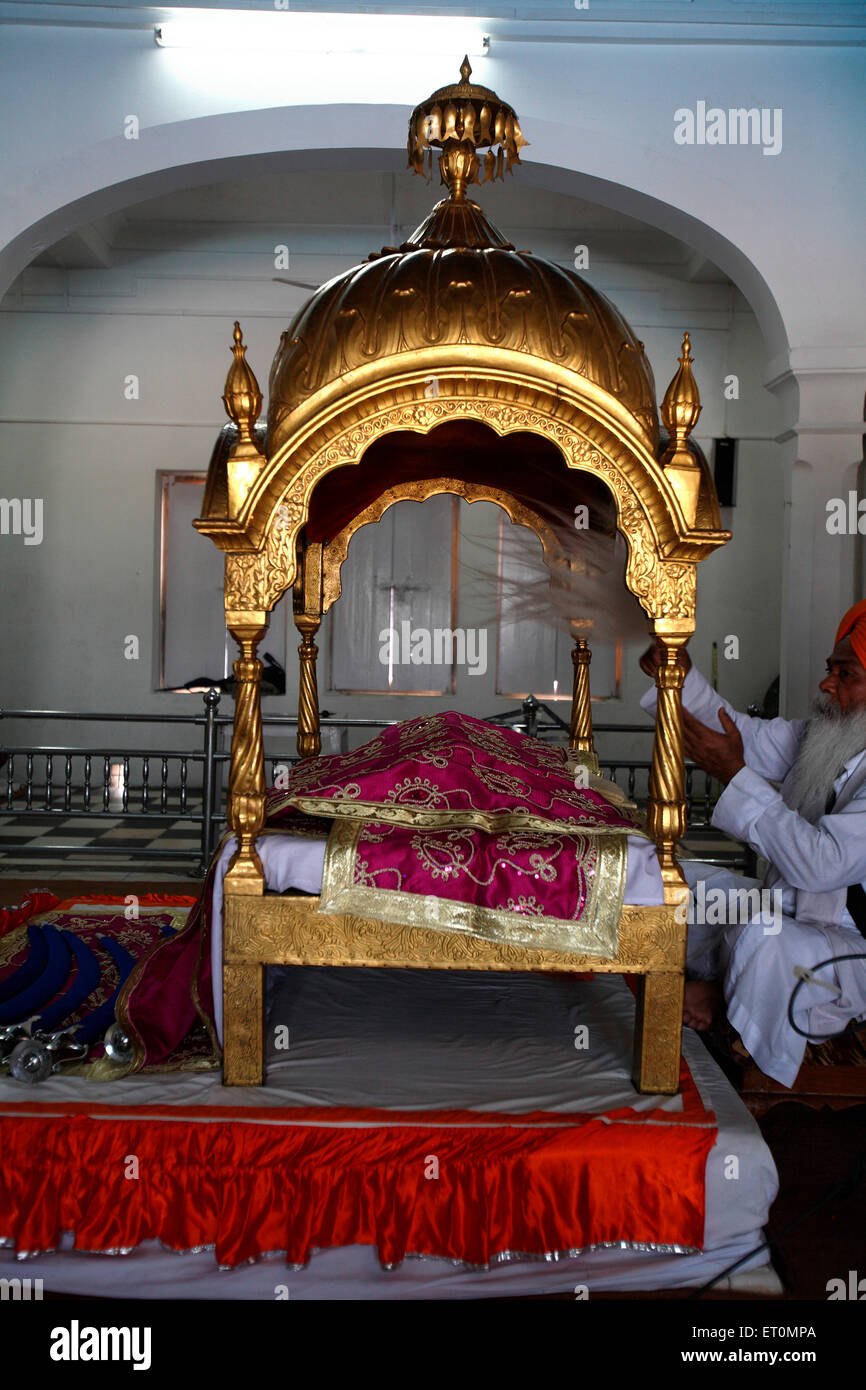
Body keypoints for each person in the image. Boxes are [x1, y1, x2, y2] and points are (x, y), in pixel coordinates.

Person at [639, 601, 866, 1087]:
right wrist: (676, 670)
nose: (827, 684)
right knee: (675, 882)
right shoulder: (826, 736)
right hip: (794, 911)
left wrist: (734, 774)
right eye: (830, 670)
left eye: (845, 675)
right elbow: (737, 733)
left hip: (852, 946)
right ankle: (713, 987)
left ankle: (726, 1011)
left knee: (764, 938)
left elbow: (824, 866)